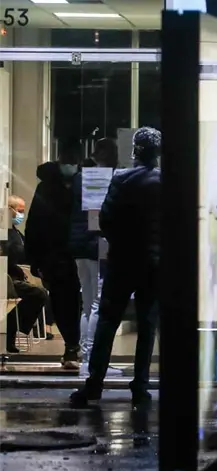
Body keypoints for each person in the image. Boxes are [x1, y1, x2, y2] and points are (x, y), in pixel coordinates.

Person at [70, 127, 162, 408]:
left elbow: (107, 219)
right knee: (147, 324)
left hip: (123, 261)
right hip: (155, 264)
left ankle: (95, 384)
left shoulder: (122, 178)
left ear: (135, 149)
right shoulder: (167, 181)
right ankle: (141, 387)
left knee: (108, 320)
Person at [25, 144, 83, 368]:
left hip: (66, 253)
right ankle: (72, 345)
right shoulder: (48, 187)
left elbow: (34, 224)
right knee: (65, 301)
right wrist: (35, 259)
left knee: (72, 301)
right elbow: (35, 224)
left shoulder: (78, 184)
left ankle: (75, 346)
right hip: (59, 255)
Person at [70, 138, 123, 378]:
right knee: (98, 304)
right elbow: (103, 216)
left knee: (87, 302)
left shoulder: (80, 178)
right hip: (98, 245)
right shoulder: (108, 179)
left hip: (80, 245)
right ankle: (92, 361)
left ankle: (85, 357)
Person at [5, 196, 48, 354]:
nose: (21, 215)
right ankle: (15, 330)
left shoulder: (15, 233)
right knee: (39, 294)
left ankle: (16, 330)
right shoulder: (5, 233)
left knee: (41, 293)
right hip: (9, 279)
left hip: (17, 276)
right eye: (19, 211)